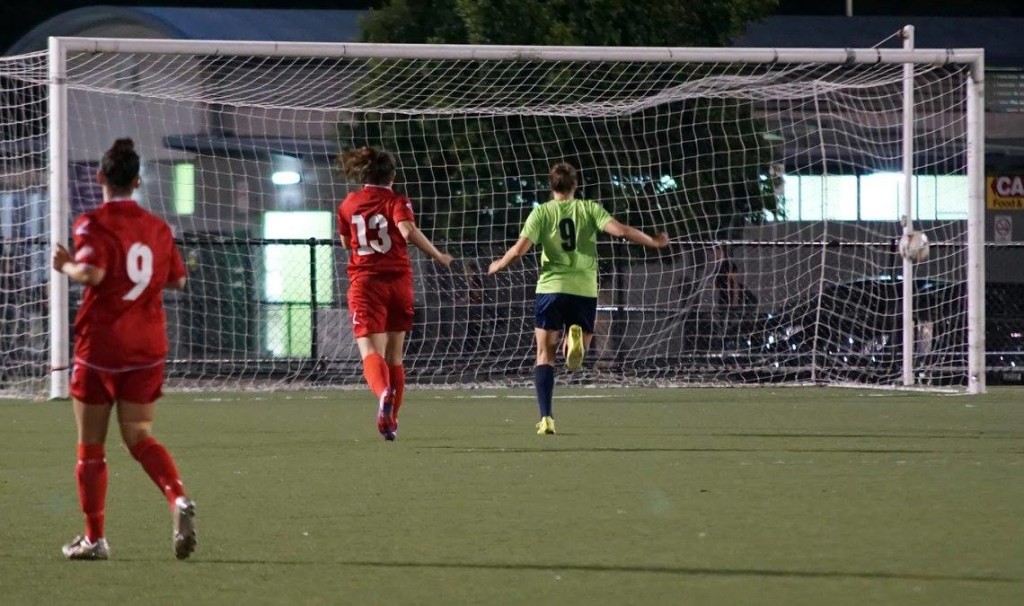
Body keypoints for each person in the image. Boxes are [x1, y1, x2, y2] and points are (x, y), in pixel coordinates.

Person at [52, 138, 196, 561]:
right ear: (137, 181)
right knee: (138, 435)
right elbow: (178, 280)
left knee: (91, 446)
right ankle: (178, 498)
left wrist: (66, 266)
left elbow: (92, 273)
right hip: (147, 346)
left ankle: (94, 538)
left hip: (102, 346)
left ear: (100, 177)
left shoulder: (91, 222)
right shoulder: (157, 227)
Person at [488, 162, 669, 435]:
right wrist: (654, 242)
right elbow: (621, 231)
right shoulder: (589, 209)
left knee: (543, 355)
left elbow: (519, 250)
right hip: (583, 288)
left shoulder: (542, 213)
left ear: (551, 186)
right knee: (576, 353)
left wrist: (499, 265)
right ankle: (576, 346)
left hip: (551, 288)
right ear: (576, 185)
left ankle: (546, 418)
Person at [336, 147, 453, 441]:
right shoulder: (396, 201)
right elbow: (407, 230)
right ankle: (391, 423)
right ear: (393, 175)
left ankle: (383, 393)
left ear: (364, 173)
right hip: (399, 284)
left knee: (371, 352)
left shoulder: (349, 203)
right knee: (395, 356)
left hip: (366, 284)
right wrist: (438, 255)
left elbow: (345, 243)